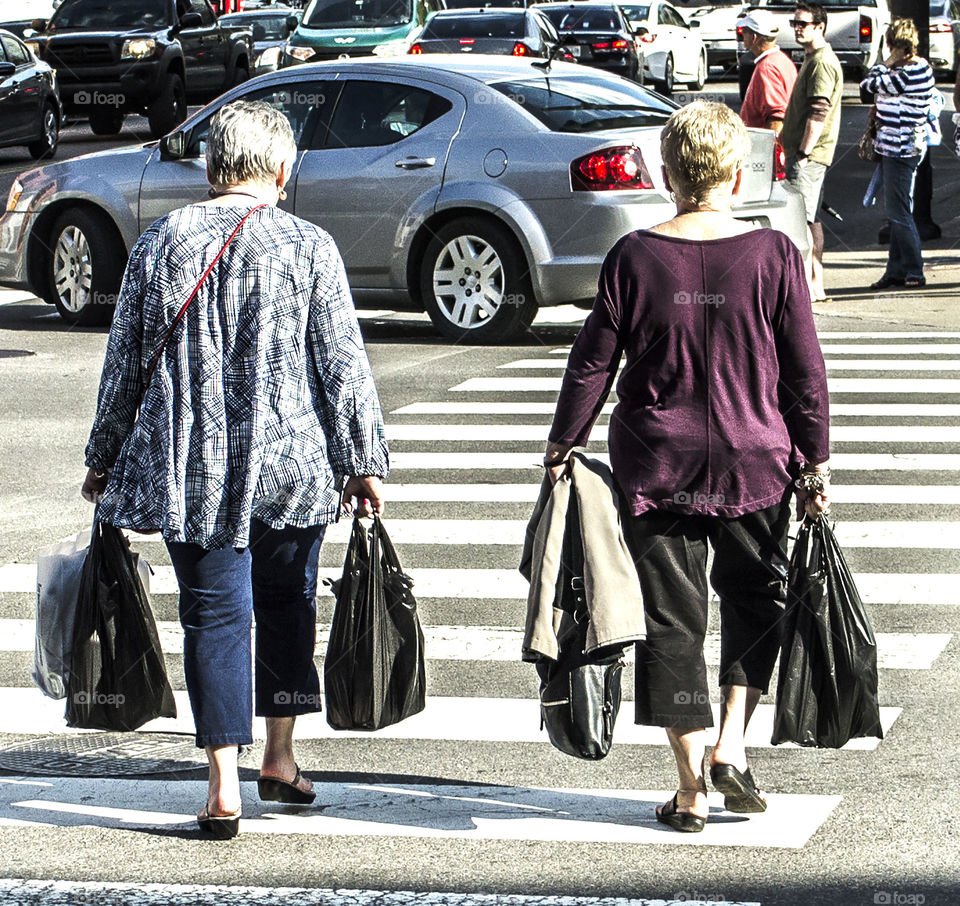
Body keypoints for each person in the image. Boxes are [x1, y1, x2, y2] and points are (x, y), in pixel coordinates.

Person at [81, 100, 389, 839]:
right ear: (283, 169)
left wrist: (103, 455)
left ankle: (224, 785)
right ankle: (279, 757)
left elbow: (124, 364)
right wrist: (363, 462)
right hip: (292, 467)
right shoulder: (309, 246)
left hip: (195, 465)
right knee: (288, 606)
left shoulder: (160, 245)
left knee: (214, 617)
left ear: (213, 167)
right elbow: (341, 365)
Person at [543, 101, 830, 833]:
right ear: (737, 176)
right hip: (756, 459)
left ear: (667, 176)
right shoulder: (773, 257)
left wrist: (562, 444)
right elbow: (804, 374)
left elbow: (591, 366)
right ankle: (731, 743)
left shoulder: (635, 257)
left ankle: (690, 788)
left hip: (657, 461)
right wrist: (814, 462)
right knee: (754, 604)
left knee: (672, 626)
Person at [860, 19, 936, 290]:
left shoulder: (905, 74)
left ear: (896, 46)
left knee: (899, 212)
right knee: (898, 211)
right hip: (903, 147)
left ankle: (914, 270)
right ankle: (896, 270)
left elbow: (867, 84)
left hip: (900, 149)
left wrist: (886, 61)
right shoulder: (922, 69)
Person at [779, 1, 843, 303]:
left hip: (809, 156)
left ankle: (806, 286)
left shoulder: (821, 62)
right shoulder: (815, 58)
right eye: (795, 23)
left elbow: (818, 112)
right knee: (811, 218)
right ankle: (816, 284)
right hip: (811, 155)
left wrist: (803, 153)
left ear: (820, 26)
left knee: (801, 221)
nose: (797, 28)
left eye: (803, 23)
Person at [738, 9, 797, 134]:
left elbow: (777, 117)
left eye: (744, 32)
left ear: (754, 37)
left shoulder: (766, 68)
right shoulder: (782, 60)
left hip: (765, 148)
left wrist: (769, 150)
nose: (742, 36)